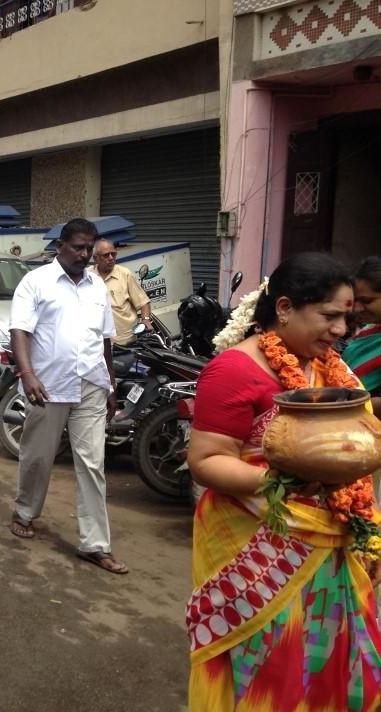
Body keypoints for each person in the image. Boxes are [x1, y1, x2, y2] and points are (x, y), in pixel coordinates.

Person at [187, 252, 381, 710]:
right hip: (258, 552)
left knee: (323, 666)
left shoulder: (330, 368)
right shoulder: (234, 370)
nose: (340, 330)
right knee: (271, 671)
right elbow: (206, 460)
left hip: (333, 543)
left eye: (346, 318)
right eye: (329, 316)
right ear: (286, 308)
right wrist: (287, 481)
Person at [8, 218, 127, 574]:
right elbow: (20, 331)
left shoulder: (96, 287)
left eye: (89, 248)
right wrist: (27, 374)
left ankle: (95, 544)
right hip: (49, 386)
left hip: (91, 384)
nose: (85, 254)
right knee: (39, 456)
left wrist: (111, 382)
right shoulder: (36, 282)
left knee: (93, 464)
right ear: (61, 245)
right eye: (78, 247)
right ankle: (25, 511)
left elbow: (104, 338)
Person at [90, 238, 152, 345]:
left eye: (113, 254)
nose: (111, 258)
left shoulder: (125, 274)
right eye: (106, 255)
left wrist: (145, 319)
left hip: (126, 342)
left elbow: (143, 302)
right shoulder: (87, 276)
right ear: (95, 258)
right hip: (98, 343)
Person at [344, 255, 381, 410]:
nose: (357, 308)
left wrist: (333, 406)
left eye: (367, 301)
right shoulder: (370, 330)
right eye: (356, 301)